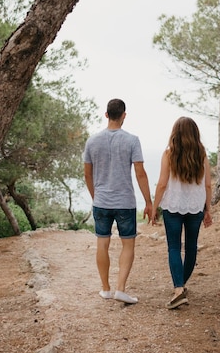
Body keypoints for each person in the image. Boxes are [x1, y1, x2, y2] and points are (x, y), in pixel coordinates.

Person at [83, 98, 153, 304]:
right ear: (124, 115)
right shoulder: (132, 140)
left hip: (102, 201)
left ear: (106, 115)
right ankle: (121, 289)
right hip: (125, 202)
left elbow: (88, 174)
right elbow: (140, 174)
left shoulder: (92, 141)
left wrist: (95, 196)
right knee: (128, 245)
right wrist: (148, 202)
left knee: (102, 244)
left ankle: (105, 289)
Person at [152, 116, 212, 309]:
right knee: (191, 247)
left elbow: (162, 184)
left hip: (173, 205)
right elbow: (208, 184)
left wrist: (154, 207)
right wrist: (208, 208)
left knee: (174, 247)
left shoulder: (169, 154)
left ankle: (178, 289)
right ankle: (181, 286)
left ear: (175, 133)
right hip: (195, 206)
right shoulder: (201, 153)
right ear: (195, 133)